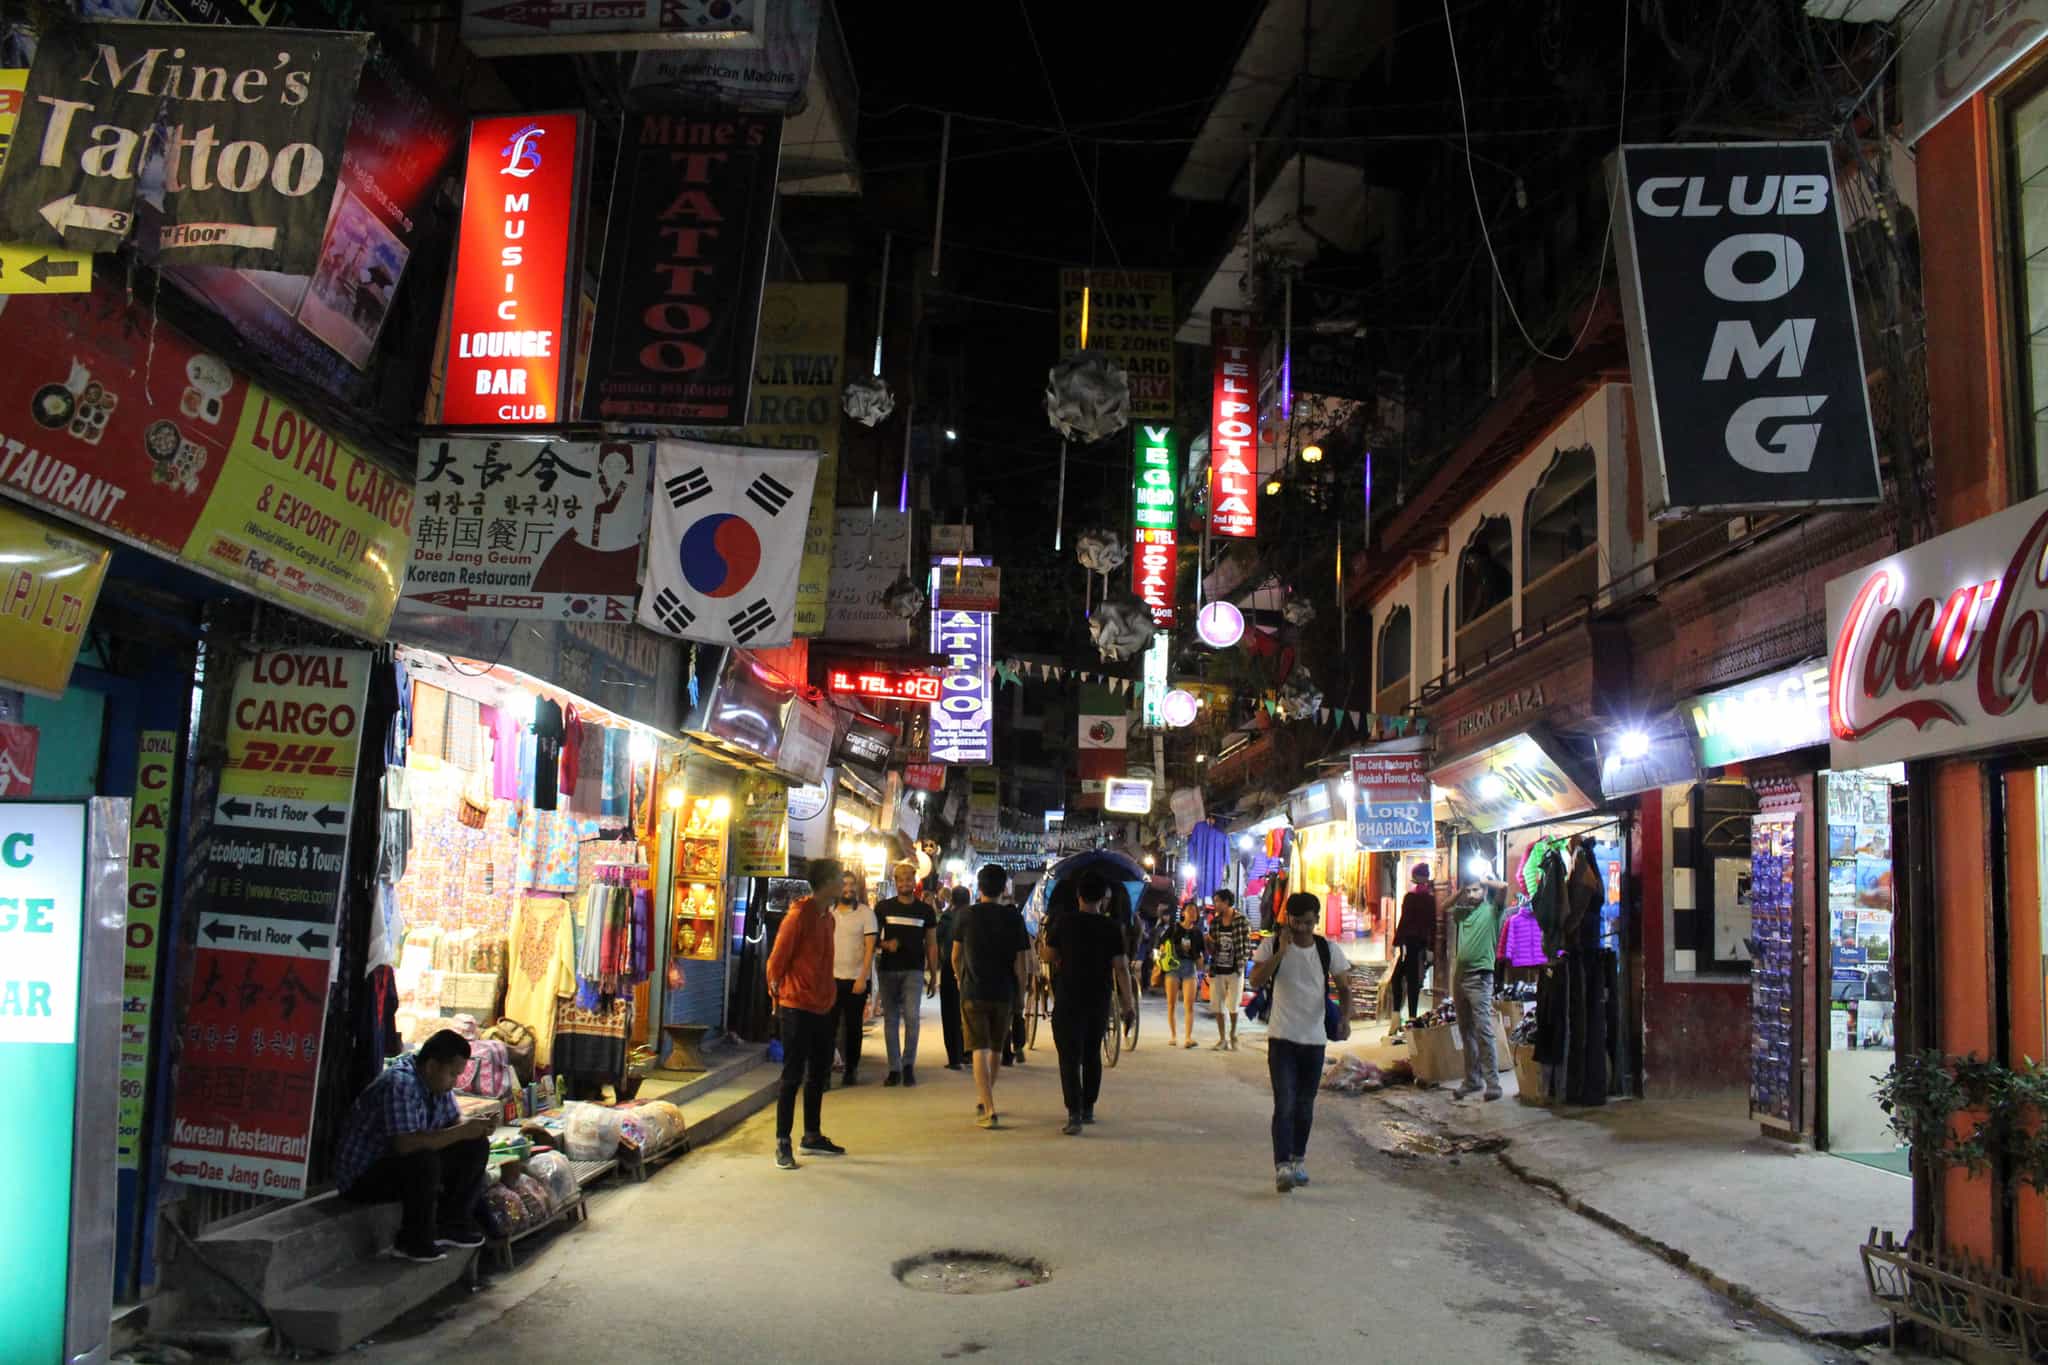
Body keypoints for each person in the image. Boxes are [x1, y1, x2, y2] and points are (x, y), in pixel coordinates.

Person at [335, 1028, 494, 1262]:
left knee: (475, 1145)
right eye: (452, 1074)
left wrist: (474, 1127)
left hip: (398, 1165)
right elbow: (405, 1144)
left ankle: (450, 1224)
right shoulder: (400, 1083)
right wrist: (462, 1131)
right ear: (431, 1066)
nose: (454, 1081)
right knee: (423, 1159)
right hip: (362, 1176)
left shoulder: (436, 1084)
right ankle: (412, 1241)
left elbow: (453, 1121)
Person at [1248, 892, 1353, 1193]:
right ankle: (1282, 1166)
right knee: (1285, 1103)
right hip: (1282, 1038)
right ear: (1288, 919)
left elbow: (1344, 987)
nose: (1302, 929)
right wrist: (1280, 952)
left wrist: (1344, 1019)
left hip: (1314, 1040)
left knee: (1305, 1105)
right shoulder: (1271, 945)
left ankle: (1298, 1159)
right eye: (1297, 922)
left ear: (1316, 920)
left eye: (1308, 923)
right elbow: (1255, 980)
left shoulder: (1326, 949)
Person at [765, 858, 849, 1169]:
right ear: (827, 882)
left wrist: (828, 997)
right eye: (840, 878)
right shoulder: (798, 916)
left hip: (822, 1006)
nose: (844, 883)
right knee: (792, 1076)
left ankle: (811, 1135)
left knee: (819, 1073)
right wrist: (778, 999)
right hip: (796, 1006)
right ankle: (782, 1141)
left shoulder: (828, 918)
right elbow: (776, 963)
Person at [1041, 869, 1137, 1134]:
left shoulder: (1064, 923)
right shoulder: (1111, 927)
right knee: (1092, 1053)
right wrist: (1128, 1004)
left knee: (1069, 1056)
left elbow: (1049, 956)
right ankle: (1088, 1107)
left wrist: (1043, 945)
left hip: (1069, 996)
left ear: (1078, 895)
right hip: (1099, 998)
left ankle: (1074, 1113)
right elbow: (1121, 968)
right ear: (1103, 897)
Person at [952, 864, 1030, 1128]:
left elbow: (954, 956)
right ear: (1004, 888)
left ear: (980, 886)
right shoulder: (1014, 918)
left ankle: (989, 1108)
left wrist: (959, 976)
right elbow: (1021, 963)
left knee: (978, 1049)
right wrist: (1021, 994)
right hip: (1004, 991)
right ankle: (986, 1099)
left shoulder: (965, 915)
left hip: (973, 990)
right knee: (996, 1048)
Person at [873, 859, 939, 1087]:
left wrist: (934, 974)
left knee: (911, 1017)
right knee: (891, 1020)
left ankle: (908, 1064)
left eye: (908, 879)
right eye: (900, 880)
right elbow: (871, 940)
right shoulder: (883, 908)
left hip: (914, 970)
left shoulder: (926, 911)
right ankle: (894, 1068)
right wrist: (884, 945)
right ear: (895, 882)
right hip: (888, 970)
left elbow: (931, 943)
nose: (904, 883)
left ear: (915, 881)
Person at [1449, 871, 1511, 1101]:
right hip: (1460, 977)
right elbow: (1444, 907)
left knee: (1483, 1030)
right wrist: (1459, 893)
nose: (1472, 894)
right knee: (1466, 1030)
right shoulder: (1463, 913)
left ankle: (1493, 1083)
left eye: (1476, 890)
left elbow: (1504, 887)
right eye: (1469, 890)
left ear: (1484, 891)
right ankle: (1472, 1080)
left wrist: (1485, 881)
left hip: (1480, 977)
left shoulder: (1493, 911)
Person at [830, 868, 879, 1086]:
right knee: (827, 1026)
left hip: (855, 980)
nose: (848, 889)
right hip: (830, 979)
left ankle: (851, 1068)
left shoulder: (866, 914)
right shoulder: (828, 912)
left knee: (852, 1027)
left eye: (851, 884)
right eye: (844, 884)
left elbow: (870, 948)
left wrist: (863, 977)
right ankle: (824, 1070)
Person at [1389, 864, 1437, 1038]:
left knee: (1403, 981)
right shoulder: (1430, 899)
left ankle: (1404, 1018)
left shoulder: (1411, 897)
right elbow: (1432, 925)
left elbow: (1404, 922)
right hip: (1417, 946)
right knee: (1411, 982)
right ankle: (1407, 1017)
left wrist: (1397, 943)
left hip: (1410, 946)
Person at [1205, 888, 1251, 1050]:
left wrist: (1242, 962)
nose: (1215, 904)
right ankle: (1222, 1038)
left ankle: (1233, 1034)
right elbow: (1211, 950)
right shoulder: (1215, 923)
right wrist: (1208, 942)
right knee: (1217, 1005)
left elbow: (1247, 945)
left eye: (1217, 901)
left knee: (1233, 1005)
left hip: (1234, 969)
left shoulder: (1241, 920)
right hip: (1217, 968)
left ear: (1226, 902)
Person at [1161, 900, 1207, 1048]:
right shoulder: (1174, 928)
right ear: (1183, 913)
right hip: (1174, 966)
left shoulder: (1198, 932)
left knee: (1189, 1005)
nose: (1193, 913)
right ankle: (1173, 1036)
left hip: (1189, 967)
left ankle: (1188, 1038)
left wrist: (1202, 965)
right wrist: (1162, 953)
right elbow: (1161, 944)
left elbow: (1200, 953)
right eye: (1190, 910)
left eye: (1195, 911)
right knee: (1171, 1004)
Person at [936, 885, 970, 1069]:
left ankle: (954, 1058)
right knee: (968, 1013)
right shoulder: (974, 917)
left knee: (950, 1014)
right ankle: (969, 1052)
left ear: (952, 900)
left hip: (950, 970)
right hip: (971, 970)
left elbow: (937, 941)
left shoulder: (947, 918)